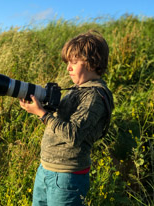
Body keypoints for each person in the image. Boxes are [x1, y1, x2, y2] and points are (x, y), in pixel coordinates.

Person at [19, 30, 114, 206]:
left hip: (66, 177)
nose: (68, 68)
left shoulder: (93, 96)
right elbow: (61, 123)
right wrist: (44, 107)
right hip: (47, 169)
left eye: (73, 62)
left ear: (92, 63)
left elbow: (73, 134)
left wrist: (42, 114)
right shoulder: (78, 89)